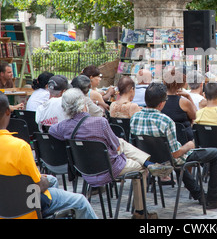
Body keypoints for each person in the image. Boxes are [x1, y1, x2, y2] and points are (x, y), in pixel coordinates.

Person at [0, 90, 98, 219]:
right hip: (27, 206)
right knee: (80, 200)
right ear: (8, 111)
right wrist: (43, 180)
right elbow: (37, 184)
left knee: (51, 180)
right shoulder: (19, 147)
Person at [49, 88, 172, 219]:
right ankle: (140, 212)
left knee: (121, 142)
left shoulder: (64, 127)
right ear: (84, 104)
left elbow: (51, 130)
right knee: (141, 169)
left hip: (84, 170)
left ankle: (148, 162)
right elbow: (116, 147)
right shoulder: (100, 122)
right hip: (109, 169)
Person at [130, 82, 217, 209]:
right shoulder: (166, 121)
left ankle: (199, 194)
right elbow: (175, 154)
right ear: (161, 104)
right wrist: (189, 145)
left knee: (177, 160)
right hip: (169, 158)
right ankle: (214, 199)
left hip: (149, 158)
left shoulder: (135, 117)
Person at [161, 67, 197, 142]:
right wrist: (188, 96)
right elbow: (195, 116)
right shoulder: (184, 102)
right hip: (184, 141)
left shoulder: (159, 101)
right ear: (180, 84)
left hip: (165, 140)